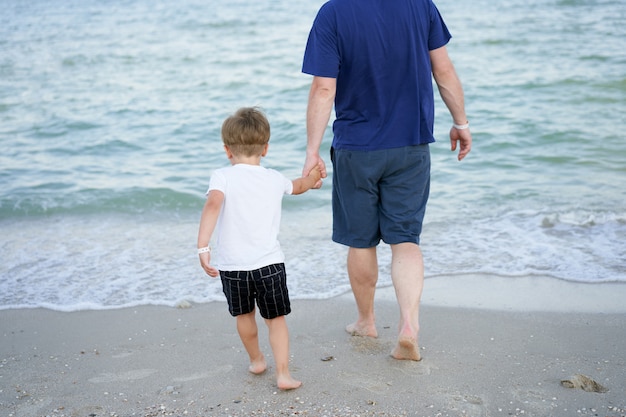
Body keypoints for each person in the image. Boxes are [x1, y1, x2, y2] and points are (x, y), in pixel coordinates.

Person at [301, 0, 472, 361]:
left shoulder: (333, 13)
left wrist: (312, 151)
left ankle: (366, 321)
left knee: (361, 241)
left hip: (357, 148)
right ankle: (409, 325)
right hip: (411, 143)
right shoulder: (420, 5)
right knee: (405, 240)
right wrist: (461, 123)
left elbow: (323, 89)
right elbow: (443, 70)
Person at [197, 107, 321, 389]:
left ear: (227, 150)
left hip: (233, 267)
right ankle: (283, 374)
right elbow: (299, 186)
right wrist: (314, 178)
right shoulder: (274, 178)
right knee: (275, 319)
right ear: (265, 148)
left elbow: (213, 204)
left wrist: (203, 246)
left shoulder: (222, 177)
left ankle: (256, 360)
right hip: (269, 264)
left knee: (244, 316)